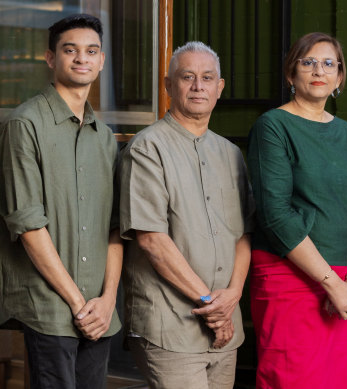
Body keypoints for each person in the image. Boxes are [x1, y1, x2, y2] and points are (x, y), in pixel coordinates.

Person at [247, 32, 347, 389]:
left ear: (339, 77)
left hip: (346, 283)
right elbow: (275, 215)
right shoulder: (272, 126)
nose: (318, 70)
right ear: (291, 74)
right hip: (291, 277)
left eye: (328, 63)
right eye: (308, 62)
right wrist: (331, 284)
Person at [118, 41, 254, 389]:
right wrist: (212, 306)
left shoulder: (231, 154)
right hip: (170, 326)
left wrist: (233, 295)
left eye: (207, 77)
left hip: (226, 327)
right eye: (187, 77)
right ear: (168, 86)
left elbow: (243, 234)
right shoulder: (147, 148)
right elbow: (151, 240)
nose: (198, 86)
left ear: (219, 88)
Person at [0, 14, 122, 389]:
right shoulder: (25, 124)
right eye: (70, 50)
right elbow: (29, 226)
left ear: (101, 61)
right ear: (51, 58)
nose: (82, 59)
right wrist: (76, 302)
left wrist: (106, 301)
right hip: (49, 308)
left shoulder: (104, 137)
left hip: (99, 310)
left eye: (91, 51)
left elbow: (116, 227)